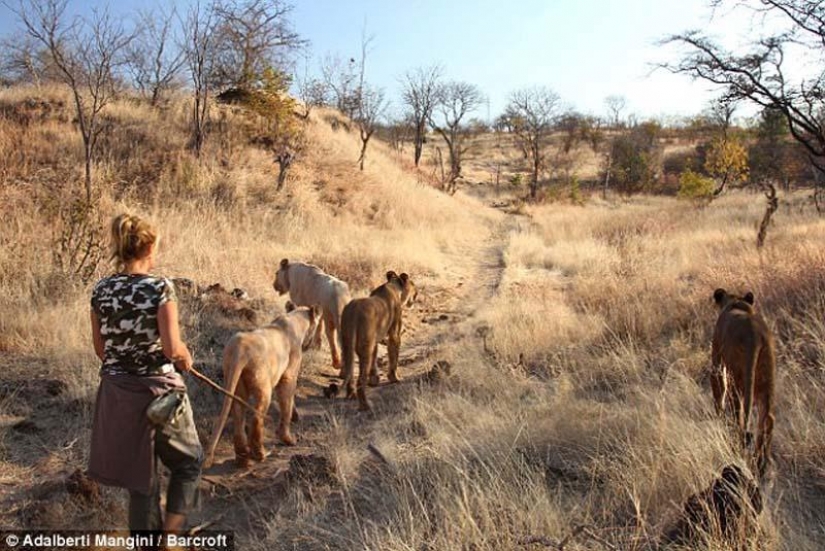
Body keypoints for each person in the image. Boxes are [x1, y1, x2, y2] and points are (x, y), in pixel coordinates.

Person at [88, 213, 202, 546]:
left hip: (117, 394)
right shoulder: (159, 288)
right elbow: (171, 348)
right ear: (149, 247)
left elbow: (101, 349)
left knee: (142, 480)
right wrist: (185, 355)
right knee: (189, 463)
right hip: (159, 395)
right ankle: (169, 538)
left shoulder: (101, 290)